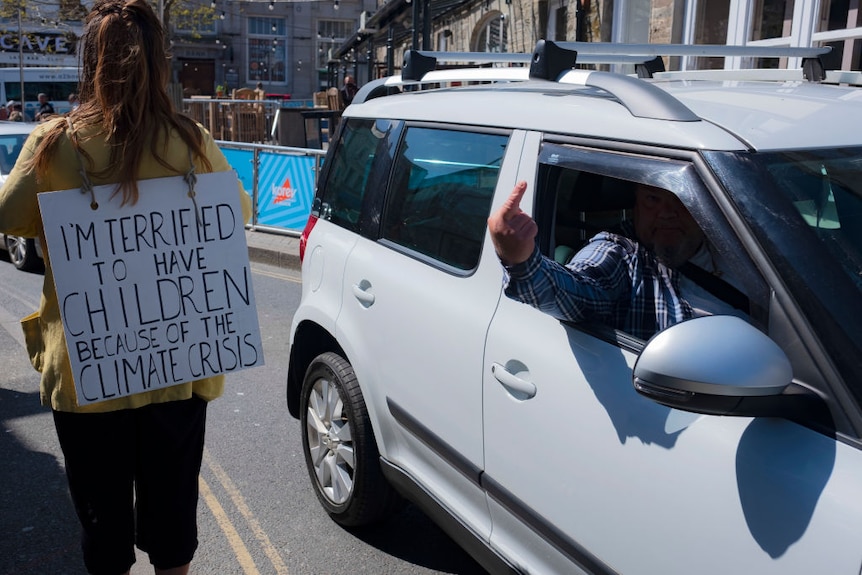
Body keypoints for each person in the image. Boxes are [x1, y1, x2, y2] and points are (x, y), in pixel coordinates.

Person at [0, 1, 253, 574]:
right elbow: (233, 212)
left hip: (90, 376)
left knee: (102, 529)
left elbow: (8, 216)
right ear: (160, 65)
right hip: (176, 369)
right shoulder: (189, 140)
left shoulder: (54, 143)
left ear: (90, 65)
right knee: (172, 522)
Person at [488, 180, 747, 340]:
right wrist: (520, 259)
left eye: (682, 199)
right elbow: (577, 288)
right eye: (653, 199)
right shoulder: (620, 251)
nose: (667, 213)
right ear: (635, 205)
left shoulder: (738, 244)